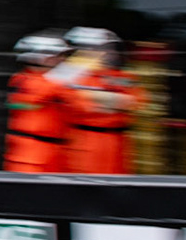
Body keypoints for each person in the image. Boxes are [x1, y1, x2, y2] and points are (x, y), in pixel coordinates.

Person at [52, 26, 142, 175]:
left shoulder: (121, 77)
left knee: (117, 185)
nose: (110, 52)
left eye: (111, 48)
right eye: (104, 48)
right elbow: (78, 104)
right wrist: (113, 101)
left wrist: (94, 97)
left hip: (117, 144)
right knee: (84, 187)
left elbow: (134, 101)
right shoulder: (69, 76)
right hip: (85, 142)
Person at [5, 33, 72, 174]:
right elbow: (39, 95)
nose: (62, 60)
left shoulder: (53, 81)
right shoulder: (23, 80)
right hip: (30, 157)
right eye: (56, 56)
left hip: (55, 153)